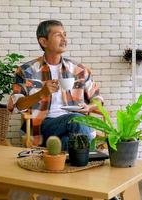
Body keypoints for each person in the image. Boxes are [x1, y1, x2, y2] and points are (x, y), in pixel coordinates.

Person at [8, 20, 103, 150]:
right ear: (44, 42)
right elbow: (17, 105)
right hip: (43, 124)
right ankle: (90, 149)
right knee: (77, 120)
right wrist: (41, 93)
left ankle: (69, 159)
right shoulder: (26, 71)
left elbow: (98, 98)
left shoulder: (79, 70)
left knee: (67, 140)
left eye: (65, 34)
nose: (64, 39)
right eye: (58, 35)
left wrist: (89, 107)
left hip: (75, 126)